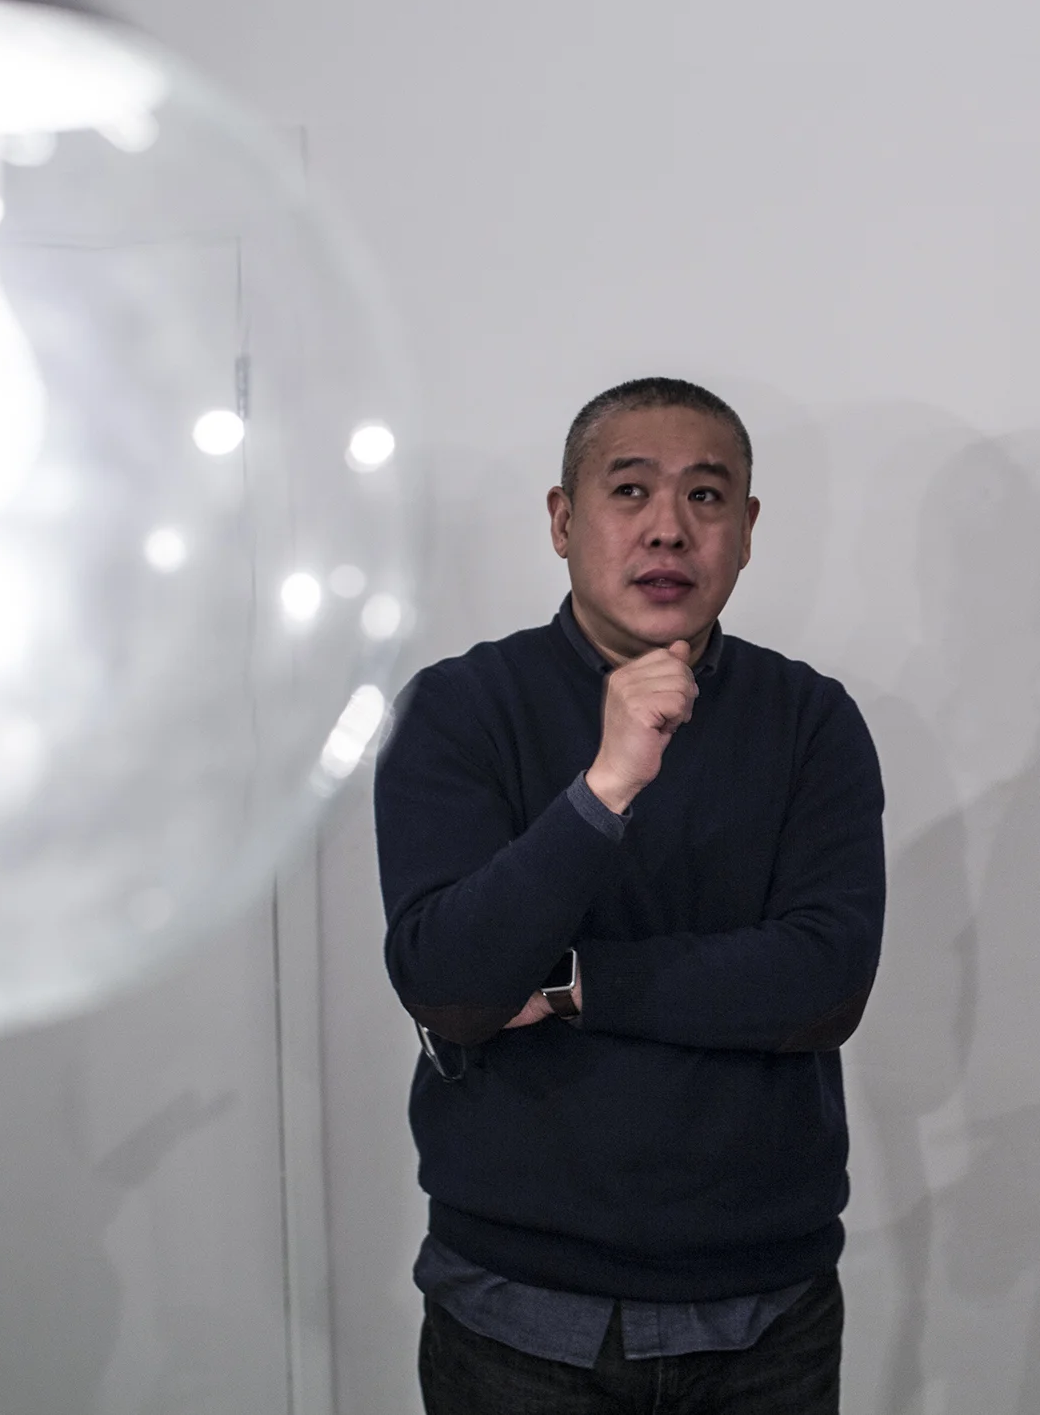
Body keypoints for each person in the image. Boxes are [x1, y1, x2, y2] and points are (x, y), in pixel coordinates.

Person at [373, 377, 886, 1415]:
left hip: (765, 1310)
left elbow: (824, 982)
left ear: (746, 529)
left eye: (706, 495)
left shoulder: (810, 719)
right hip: (517, 1309)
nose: (668, 528)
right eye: (629, 490)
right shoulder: (460, 708)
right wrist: (605, 784)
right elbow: (454, 987)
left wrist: (574, 983)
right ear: (563, 521)